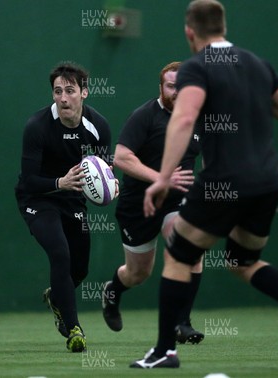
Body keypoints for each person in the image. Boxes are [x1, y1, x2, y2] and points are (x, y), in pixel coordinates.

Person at [131, 0, 278, 368]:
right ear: (223, 26)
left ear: (190, 32)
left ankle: (163, 351)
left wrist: (163, 177)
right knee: (242, 259)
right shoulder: (257, 64)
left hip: (223, 183)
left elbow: (184, 117)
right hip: (266, 183)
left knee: (178, 254)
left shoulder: (196, 67)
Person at [102, 62, 204, 344]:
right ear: (161, 88)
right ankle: (113, 292)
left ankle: (182, 322)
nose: (177, 91)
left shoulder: (196, 117)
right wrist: (162, 178)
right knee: (138, 273)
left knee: (189, 244)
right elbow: (121, 158)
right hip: (139, 204)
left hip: (177, 201)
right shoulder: (145, 116)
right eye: (172, 86)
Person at [15, 62, 112, 353]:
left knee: (78, 270)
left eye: (70, 91)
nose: (63, 98)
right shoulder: (37, 126)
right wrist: (59, 181)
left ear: (84, 92)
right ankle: (73, 329)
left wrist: (113, 185)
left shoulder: (99, 126)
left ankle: (57, 298)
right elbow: (29, 180)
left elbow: (106, 169)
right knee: (60, 252)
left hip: (73, 200)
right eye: (58, 91)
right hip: (38, 199)